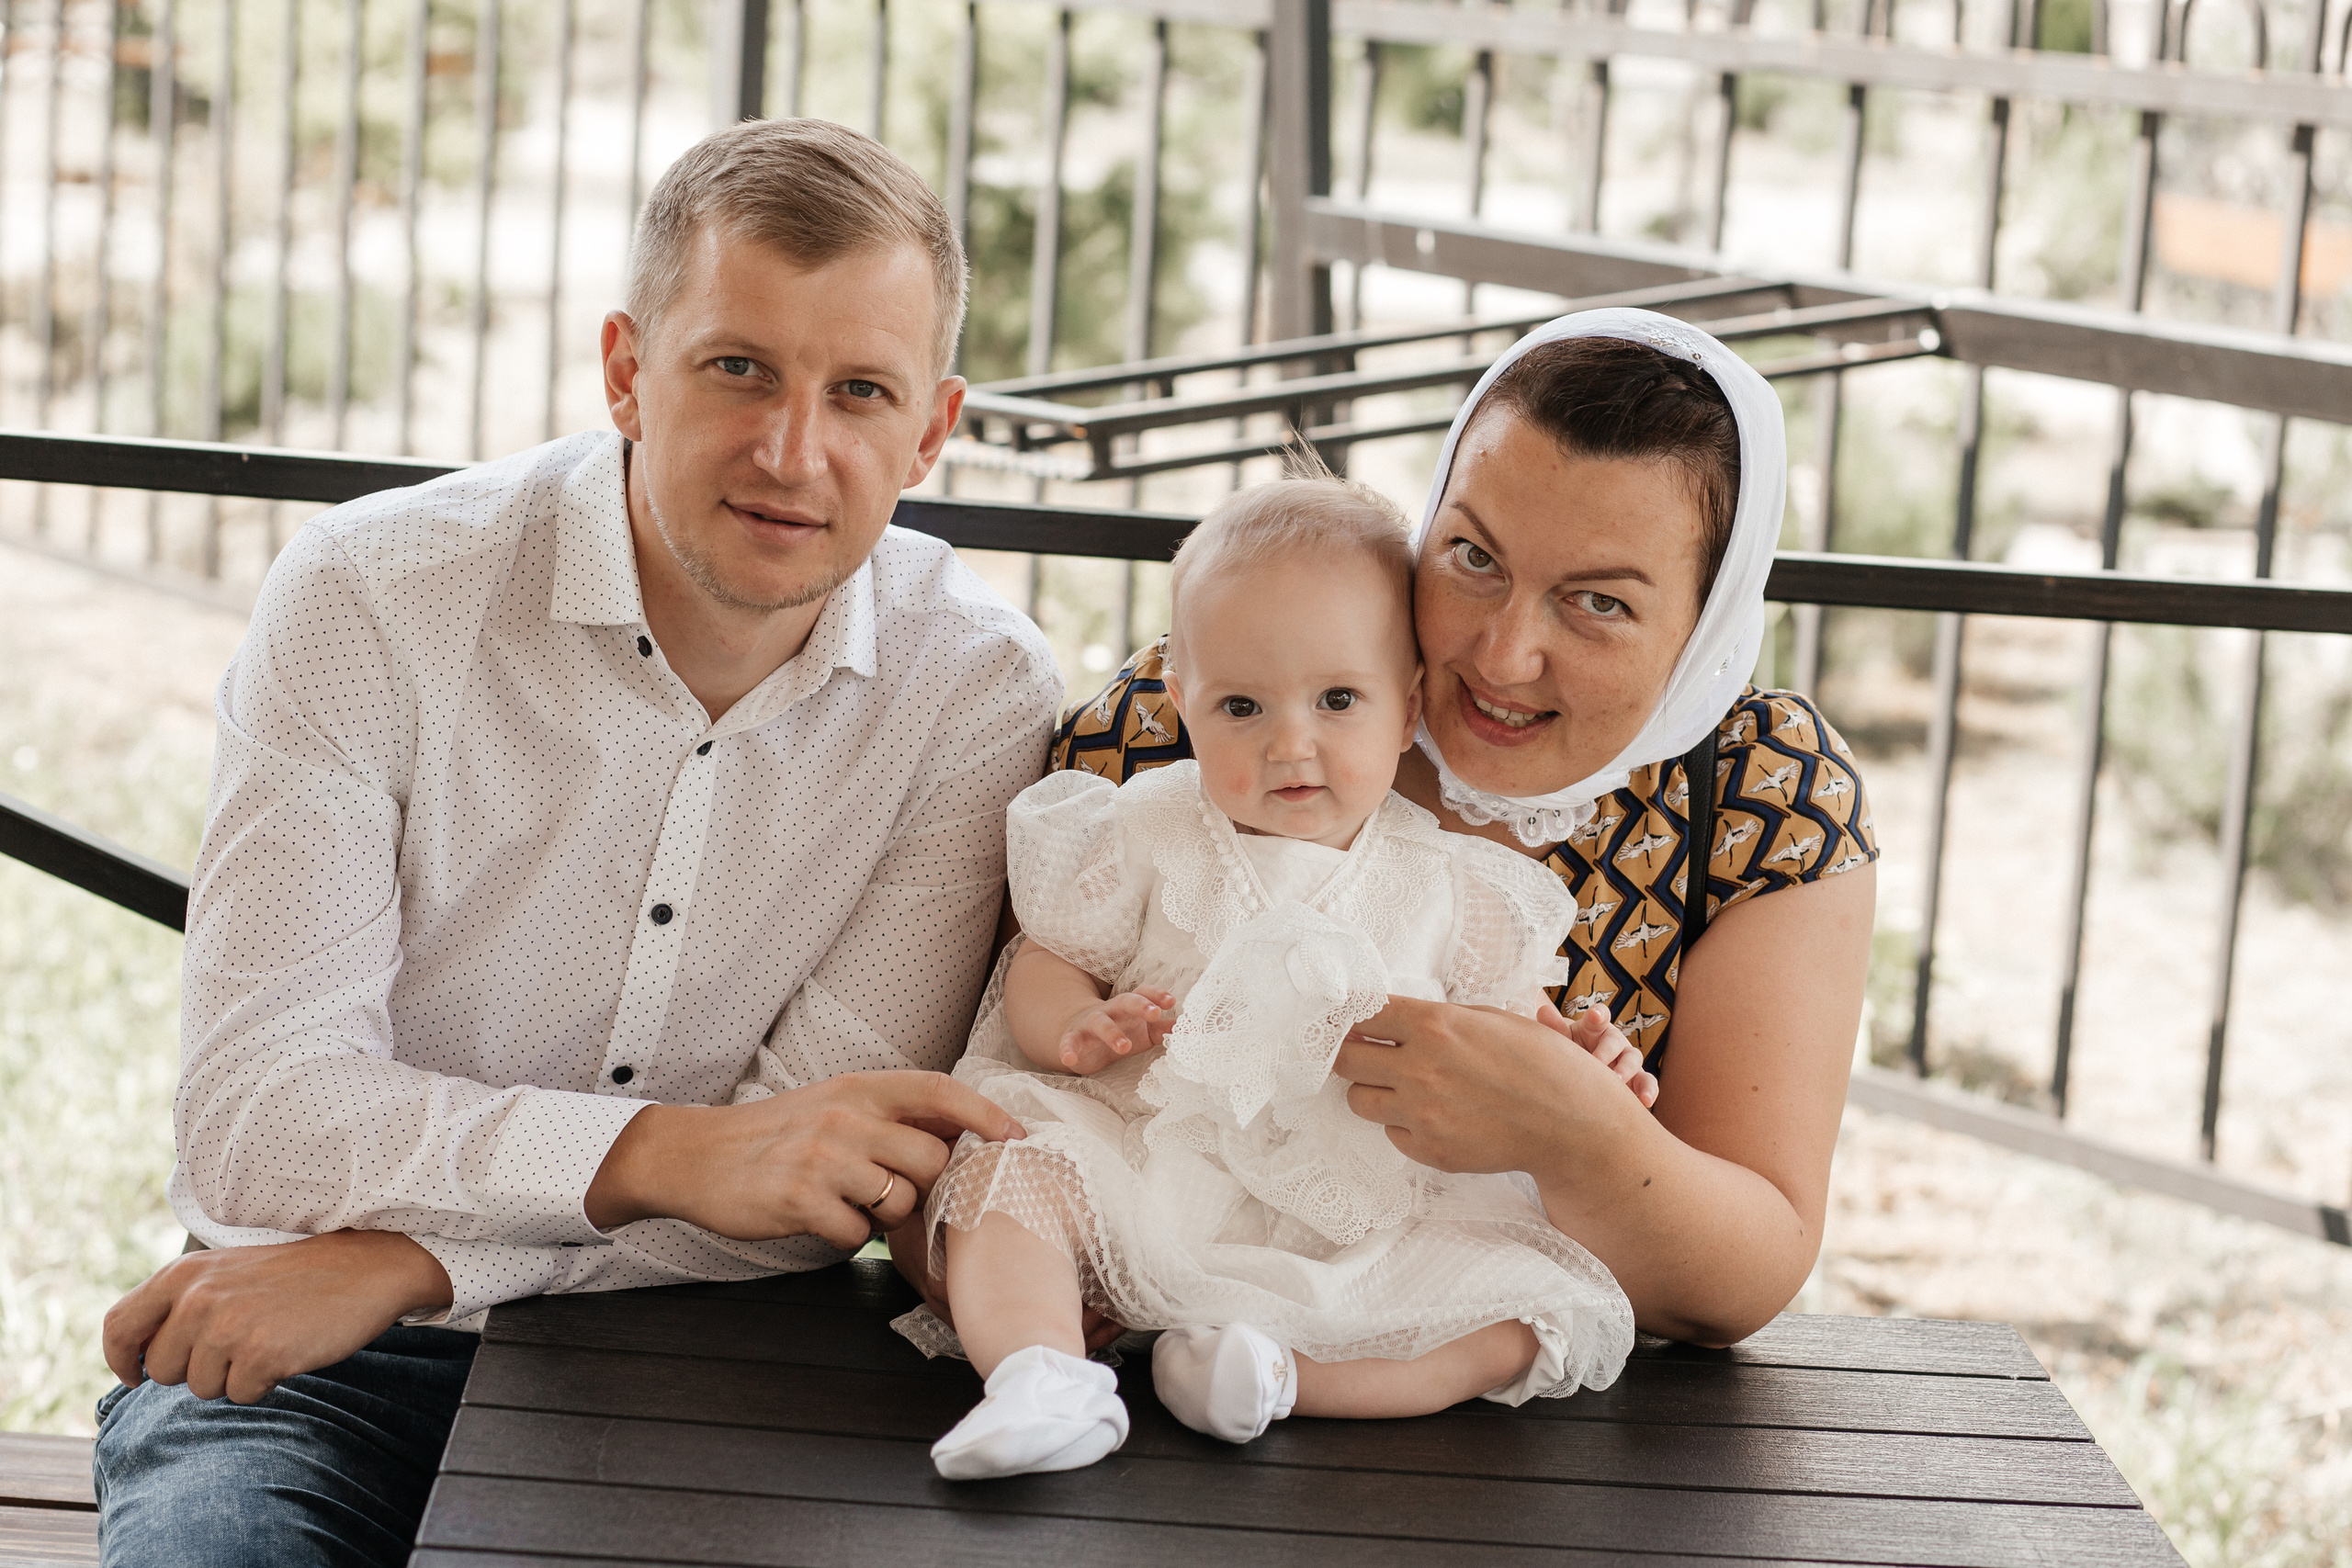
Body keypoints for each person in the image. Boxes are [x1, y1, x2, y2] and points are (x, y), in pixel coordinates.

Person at [90, 118, 1054, 1567]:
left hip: (696, 1352)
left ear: (930, 428)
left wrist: (411, 1255)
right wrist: (672, 1149)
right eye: (738, 367)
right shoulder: (372, 599)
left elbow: (810, 1185)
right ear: (625, 369)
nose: (794, 450)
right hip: (303, 1366)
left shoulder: (976, 692)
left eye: (859, 391)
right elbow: (262, 1122)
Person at [1054, 308, 1880, 1352]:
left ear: (1706, 623)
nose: (1503, 654)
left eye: (1598, 604)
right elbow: (997, 1071)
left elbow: (1744, 1276)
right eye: (1474, 558)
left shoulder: (1761, 796)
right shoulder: (1246, 690)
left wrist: (1576, 1134)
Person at [905, 477, 1646, 1481]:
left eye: (1337, 701)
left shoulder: (1454, 886)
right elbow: (1048, 957)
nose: (1289, 744)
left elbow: (1511, 1039)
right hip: (1143, 1163)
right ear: (1183, 704)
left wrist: (1587, 1057)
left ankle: (1270, 1375)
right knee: (1009, 1175)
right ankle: (1043, 1377)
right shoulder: (1147, 828)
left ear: (1408, 708)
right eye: (1241, 706)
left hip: (1364, 1212)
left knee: (1524, 1309)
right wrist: (1070, 1027)